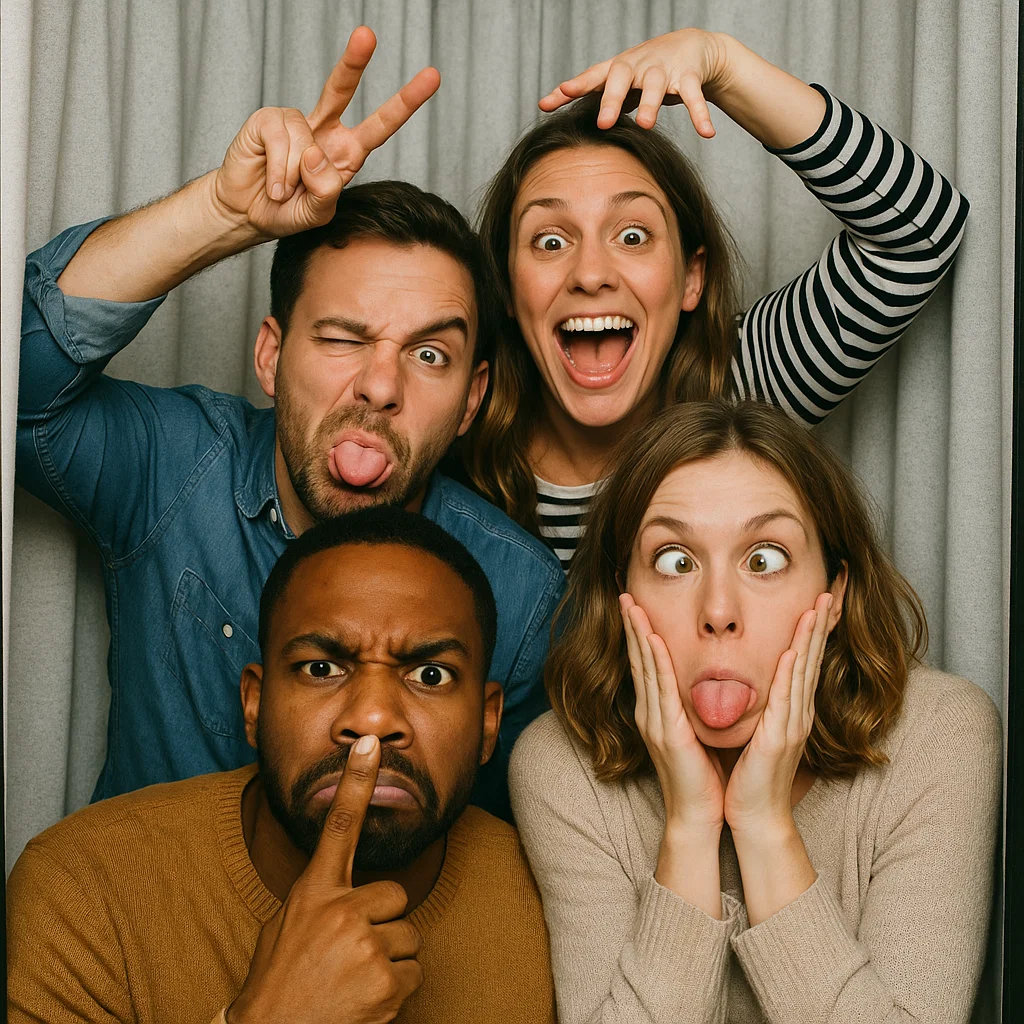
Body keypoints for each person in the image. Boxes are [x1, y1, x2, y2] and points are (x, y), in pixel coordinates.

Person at [16, 27, 563, 817]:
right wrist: (219, 214)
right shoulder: (177, 469)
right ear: (271, 356)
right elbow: (18, 384)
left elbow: (502, 857)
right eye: (344, 338)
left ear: (473, 401)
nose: (379, 386)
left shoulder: (521, 594)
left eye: (429, 357)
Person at [509, 400, 1000, 1023]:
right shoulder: (565, 763)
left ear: (836, 592)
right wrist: (688, 828)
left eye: (764, 559)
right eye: (675, 561)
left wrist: (764, 827)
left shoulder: (938, 735)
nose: (719, 610)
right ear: (620, 593)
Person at [7, 507, 557, 1024]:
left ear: (488, 724)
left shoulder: (558, 901)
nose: (371, 718)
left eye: (429, 676)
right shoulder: (85, 889)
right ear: (254, 703)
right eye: (321, 668)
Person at [465, 29, 970, 568]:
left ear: (691, 278)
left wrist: (724, 64)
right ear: (509, 289)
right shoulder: (452, 418)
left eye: (633, 236)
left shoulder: (741, 388)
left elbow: (920, 231)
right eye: (550, 240)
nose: (590, 274)